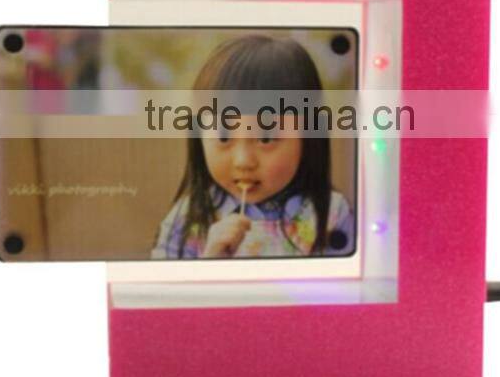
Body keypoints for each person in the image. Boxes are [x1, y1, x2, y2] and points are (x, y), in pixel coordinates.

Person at [151, 34, 354, 259]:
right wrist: (210, 262)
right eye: (224, 137)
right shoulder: (186, 220)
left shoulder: (332, 216)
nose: (243, 161)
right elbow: (163, 281)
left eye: (266, 139)